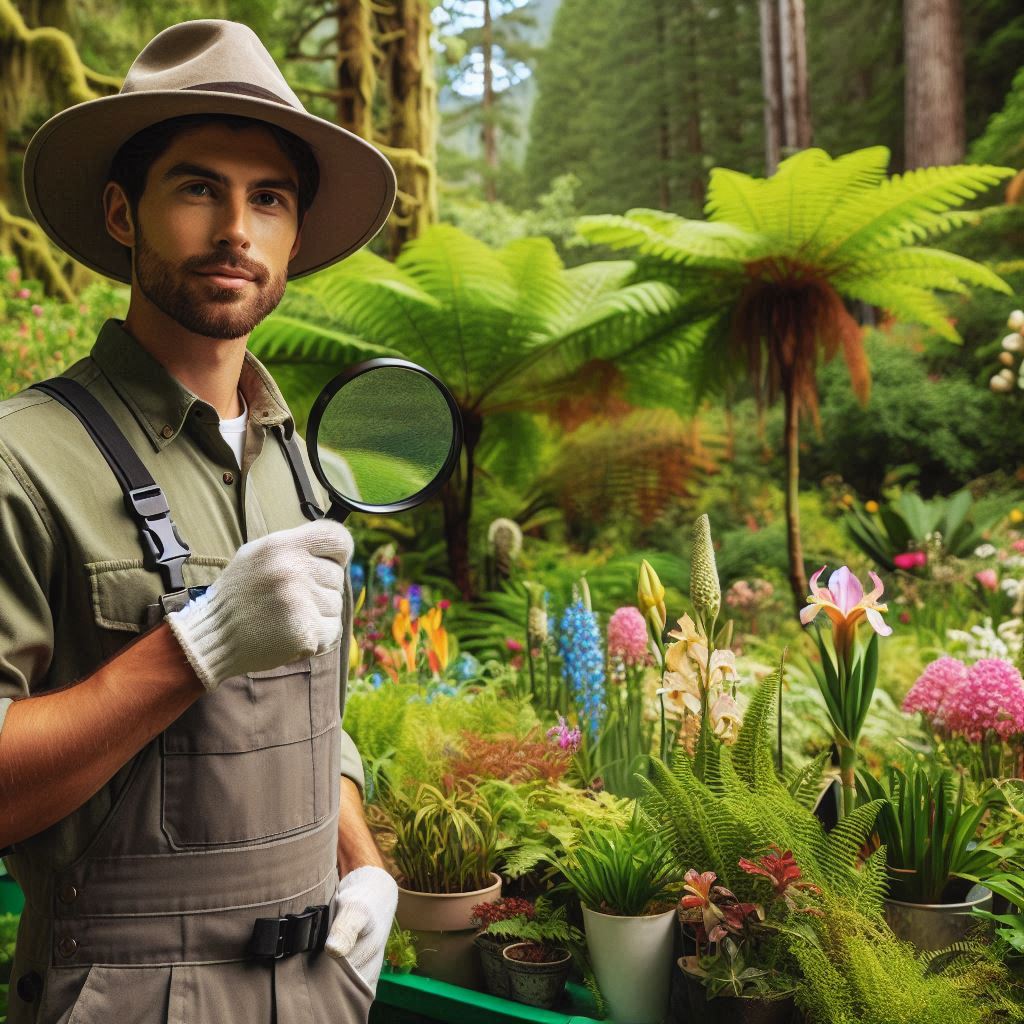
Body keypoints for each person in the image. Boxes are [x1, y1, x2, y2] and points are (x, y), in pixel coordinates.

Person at [0, 20, 401, 1024]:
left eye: (268, 198)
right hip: (122, 994)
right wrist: (198, 644)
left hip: (320, 991)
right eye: (197, 187)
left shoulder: (302, 470)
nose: (236, 229)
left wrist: (366, 867)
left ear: (296, 236)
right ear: (121, 212)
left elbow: (309, 716)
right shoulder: (23, 459)